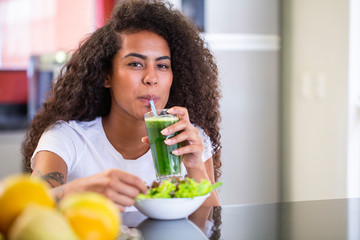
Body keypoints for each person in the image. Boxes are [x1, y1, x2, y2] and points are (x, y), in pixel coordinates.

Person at [22, 0, 222, 211]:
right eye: (136, 64)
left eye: (162, 65)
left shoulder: (189, 139)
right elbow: (28, 207)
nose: (151, 78)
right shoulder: (67, 138)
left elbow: (211, 228)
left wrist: (195, 166)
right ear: (106, 75)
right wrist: (82, 189)